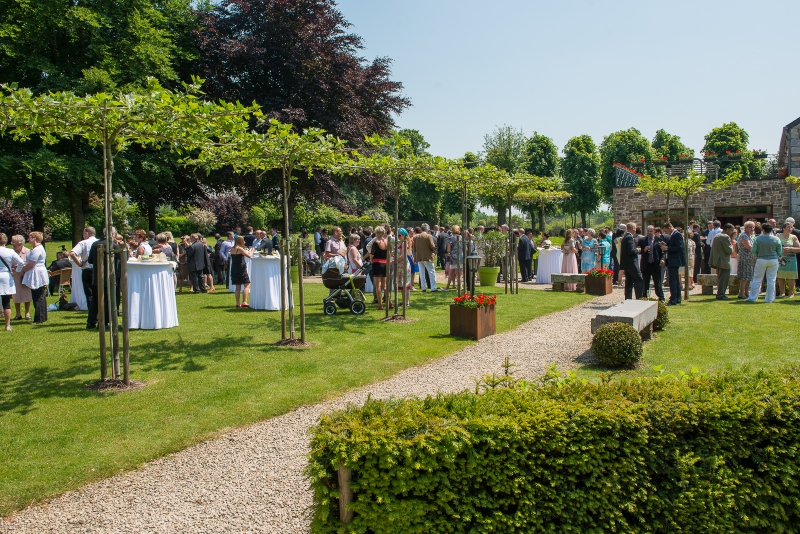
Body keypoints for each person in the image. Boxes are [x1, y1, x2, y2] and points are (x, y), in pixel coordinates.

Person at [19, 232, 49, 324]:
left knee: (37, 296)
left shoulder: (37, 249)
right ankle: (43, 316)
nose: (28, 239)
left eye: (30, 237)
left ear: (35, 238)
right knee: (40, 295)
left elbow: (32, 264)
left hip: (36, 272)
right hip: (39, 271)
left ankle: (39, 318)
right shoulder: (38, 248)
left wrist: (23, 270)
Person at [747, 223, 782, 303]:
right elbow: (779, 252)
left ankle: (753, 298)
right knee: (771, 280)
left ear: (763, 230)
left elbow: (754, 251)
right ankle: (770, 299)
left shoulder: (758, 239)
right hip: (773, 260)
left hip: (761, 259)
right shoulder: (776, 239)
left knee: (757, 279)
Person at [69, 226, 97, 316]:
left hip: (88, 269)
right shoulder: (99, 242)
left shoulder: (83, 243)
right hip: (99, 270)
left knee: (89, 294)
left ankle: (92, 315)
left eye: (84, 234)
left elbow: (72, 253)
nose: (83, 236)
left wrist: (80, 264)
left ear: (87, 234)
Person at [0, 233, 24, 331]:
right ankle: (7, 325)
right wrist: (16, 272)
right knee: (6, 302)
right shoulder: (10, 251)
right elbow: (21, 263)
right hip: (6, 276)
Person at [659, 221, 685, 305]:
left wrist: (667, 247)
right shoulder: (673, 234)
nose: (666, 233)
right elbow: (674, 245)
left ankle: (673, 299)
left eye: (666, 231)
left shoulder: (676, 234)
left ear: (669, 228)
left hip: (675, 260)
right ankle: (677, 297)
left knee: (672, 280)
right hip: (672, 259)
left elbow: (680, 247)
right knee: (675, 280)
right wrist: (666, 244)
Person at [638, 225, 665, 301]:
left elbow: (662, 251)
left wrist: (662, 259)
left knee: (657, 282)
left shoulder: (659, 240)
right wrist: (644, 250)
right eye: (648, 231)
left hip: (655, 264)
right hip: (646, 264)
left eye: (651, 231)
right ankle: (645, 296)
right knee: (645, 282)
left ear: (654, 231)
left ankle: (661, 297)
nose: (649, 233)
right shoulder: (642, 240)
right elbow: (639, 251)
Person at [365, 227, 389, 308]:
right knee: (384, 286)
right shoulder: (386, 242)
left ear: (378, 233)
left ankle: (380, 304)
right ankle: (389, 302)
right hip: (385, 263)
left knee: (378, 285)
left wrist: (371, 260)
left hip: (377, 263)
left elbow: (372, 255)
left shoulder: (376, 243)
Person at [709, 223, 734, 300]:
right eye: (731, 230)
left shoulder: (717, 235)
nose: (732, 232)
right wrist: (732, 246)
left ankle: (720, 293)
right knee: (724, 279)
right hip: (724, 261)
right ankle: (721, 294)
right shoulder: (725, 237)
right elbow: (729, 250)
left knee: (720, 278)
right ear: (727, 229)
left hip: (718, 260)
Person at [10, 235, 31, 321]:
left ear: (20, 243)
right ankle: (18, 314)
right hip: (14, 275)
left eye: (13, 242)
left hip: (25, 275)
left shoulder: (28, 251)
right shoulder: (11, 252)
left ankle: (27, 313)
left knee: (27, 294)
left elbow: (30, 264)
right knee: (16, 294)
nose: (12, 244)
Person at [777, 221, 800, 299]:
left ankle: (791, 293)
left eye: (791, 227)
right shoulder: (777, 236)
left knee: (791, 276)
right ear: (783, 228)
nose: (790, 229)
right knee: (780, 276)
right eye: (788, 227)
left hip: (791, 259)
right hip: (781, 259)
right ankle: (781, 293)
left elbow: (799, 249)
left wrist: (790, 248)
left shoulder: (793, 237)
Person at [412, 223, 438, 291]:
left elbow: (414, 248)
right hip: (428, 256)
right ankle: (433, 287)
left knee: (422, 273)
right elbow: (432, 246)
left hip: (419, 256)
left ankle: (423, 287)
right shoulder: (429, 236)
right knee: (431, 272)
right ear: (427, 229)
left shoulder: (415, 237)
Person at [621, 222, 643, 300]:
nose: (635, 229)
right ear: (633, 228)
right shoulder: (629, 237)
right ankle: (640, 299)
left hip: (626, 264)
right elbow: (631, 251)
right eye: (635, 228)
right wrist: (638, 249)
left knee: (629, 282)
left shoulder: (625, 237)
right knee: (639, 280)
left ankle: (628, 299)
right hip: (631, 263)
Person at [229, 236, 252, 307]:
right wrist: (252, 251)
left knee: (237, 287)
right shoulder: (240, 248)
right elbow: (249, 256)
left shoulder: (232, 248)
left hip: (234, 268)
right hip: (241, 268)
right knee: (247, 285)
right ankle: (244, 302)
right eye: (243, 241)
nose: (244, 242)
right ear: (240, 241)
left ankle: (237, 303)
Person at [393, 228, 412, 306]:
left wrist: (393, 262)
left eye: (399, 235)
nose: (398, 237)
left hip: (403, 265)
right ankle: (403, 301)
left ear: (404, 235)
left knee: (405, 283)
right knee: (400, 283)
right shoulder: (399, 242)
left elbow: (403, 256)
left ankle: (406, 302)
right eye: (396, 235)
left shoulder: (404, 243)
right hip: (399, 265)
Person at [737, 221, 755, 299]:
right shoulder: (744, 235)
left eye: (753, 227)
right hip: (745, 257)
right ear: (745, 228)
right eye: (750, 227)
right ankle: (741, 293)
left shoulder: (750, 236)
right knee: (744, 275)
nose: (752, 229)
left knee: (749, 276)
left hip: (750, 258)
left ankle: (746, 292)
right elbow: (748, 247)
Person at [445, 225, 465, 291]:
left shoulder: (450, 238)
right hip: (461, 256)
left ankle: (447, 287)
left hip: (453, 256)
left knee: (451, 272)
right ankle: (459, 288)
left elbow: (448, 250)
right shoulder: (462, 238)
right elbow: (466, 248)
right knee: (459, 274)